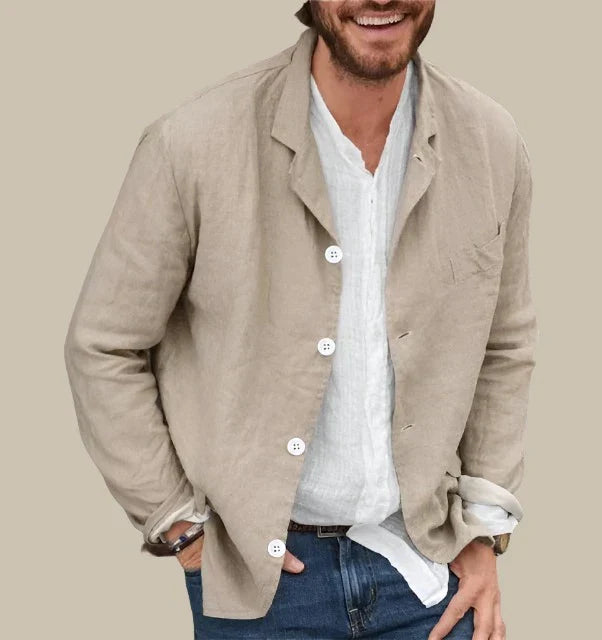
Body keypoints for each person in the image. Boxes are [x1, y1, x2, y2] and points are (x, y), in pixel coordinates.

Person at [64, 1, 537, 638]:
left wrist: (484, 530)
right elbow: (104, 346)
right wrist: (180, 527)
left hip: (431, 575)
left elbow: (504, 343)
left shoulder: (491, 141)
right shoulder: (194, 142)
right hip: (262, 590)